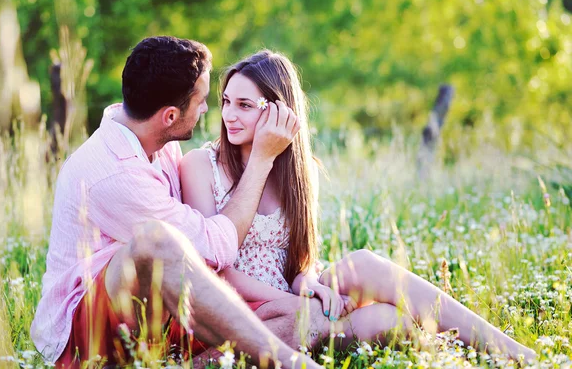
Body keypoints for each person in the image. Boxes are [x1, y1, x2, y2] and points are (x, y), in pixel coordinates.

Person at [179, 49, 537, 362]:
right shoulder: (200, 166)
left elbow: (300, 259)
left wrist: (307, 283)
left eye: (244, 105)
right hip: (244, 311)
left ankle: (508, 352)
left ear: (281, 112)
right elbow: (212, 270)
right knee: (383, 321)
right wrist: (296, 304)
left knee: (372, 281)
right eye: (226, 101)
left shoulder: (300, 174)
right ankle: (462, 354)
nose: (229, 115)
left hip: (295, 298)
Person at [31, 37, 327, 369]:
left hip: (159, 314)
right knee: (153, 242)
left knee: (307, 317)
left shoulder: (161, 142)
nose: (208, 109)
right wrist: (260, 161)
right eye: (203, 101)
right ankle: (292, 363)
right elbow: (215, 249)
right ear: (170, 116)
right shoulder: (113, 172)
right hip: (86, 335)